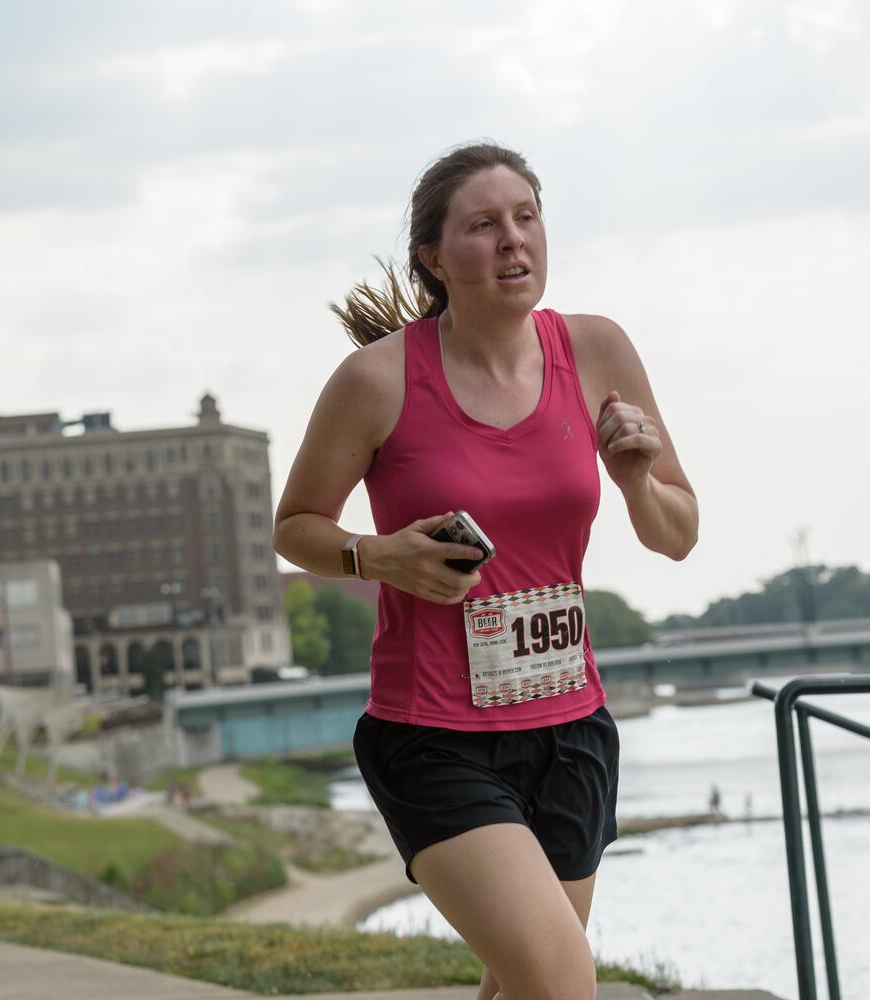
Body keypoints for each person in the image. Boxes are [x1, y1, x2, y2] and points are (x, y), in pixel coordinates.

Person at [274, 143, 697, 1000]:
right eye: (483, 225)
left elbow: (678, 534)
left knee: (522, 984)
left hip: (572, 729)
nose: (513, 239)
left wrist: (634, 481)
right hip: (434, 735)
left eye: (526, 217)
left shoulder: (597, 349)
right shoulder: (376, 380)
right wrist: (375, 555)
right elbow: (295, 526)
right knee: (560, 977)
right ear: (433, 257)